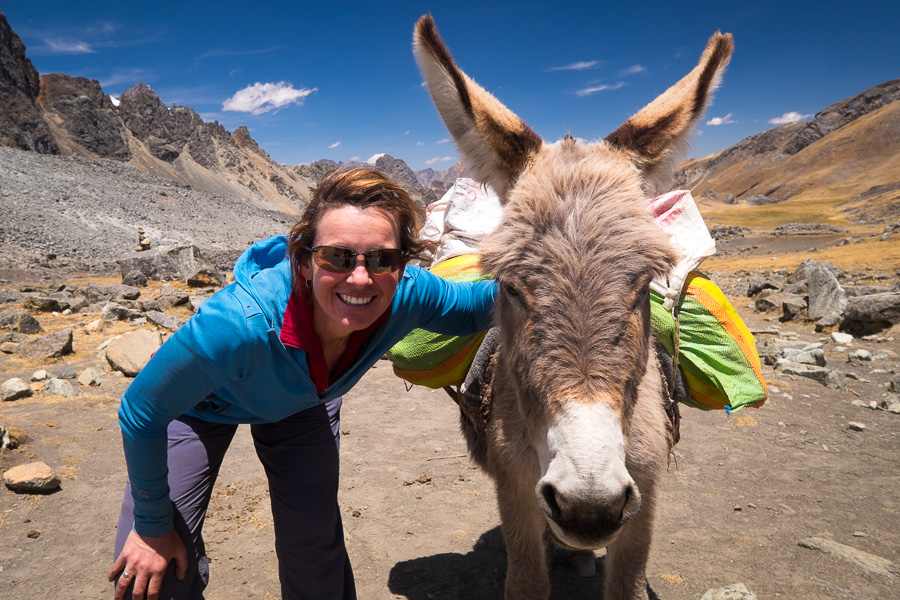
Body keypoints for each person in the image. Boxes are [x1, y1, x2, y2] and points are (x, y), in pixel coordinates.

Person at [108, 167, 497, 600]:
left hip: (301, 402)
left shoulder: (407, 293)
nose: (361, 278)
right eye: (337, 257)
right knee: (151, 576)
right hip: (201, 407)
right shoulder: (237, 325)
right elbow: (140, 413)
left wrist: (559, 273)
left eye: (383, 258)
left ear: (403, 264)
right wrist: (152, 528)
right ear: (304, 261)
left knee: (315, 554)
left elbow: (478, 307)